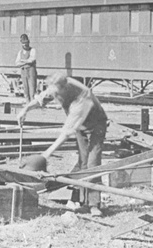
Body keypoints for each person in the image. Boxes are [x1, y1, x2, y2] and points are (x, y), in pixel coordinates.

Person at [17, 72, 107, 217]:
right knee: (83, 163)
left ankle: (94, 205)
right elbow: (42, 99)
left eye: (56, 91)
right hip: (81, 127)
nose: (53, 93)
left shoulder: (81, 99)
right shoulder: (57, 85)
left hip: (96, 125)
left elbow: (66, 133)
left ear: (64, 88)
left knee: (93, 163)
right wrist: (25, 109)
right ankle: (84, 203)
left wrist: (46, 154)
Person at [15, 34, 38, 102]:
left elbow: (32, 60)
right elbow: (17, 63)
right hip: (23, 71)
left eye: (26, 43)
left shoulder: (32, 50)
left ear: (28, 42)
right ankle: (27, 103)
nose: (25, 45)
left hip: (31, 71)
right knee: (26, 89)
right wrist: (26, 62)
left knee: (32, 88)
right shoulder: (20, 52)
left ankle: (32, 103)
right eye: (23, 43)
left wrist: (22, 61)